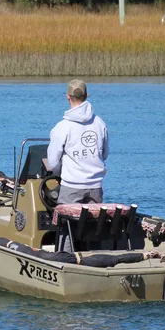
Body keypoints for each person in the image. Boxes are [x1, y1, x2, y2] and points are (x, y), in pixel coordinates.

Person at [46, 79, 108, 250]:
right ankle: (94, 258)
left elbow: (52, 162)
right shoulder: (100, 123)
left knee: (65, 227)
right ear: (86, 96)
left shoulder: (62, 127)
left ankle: (65, 258)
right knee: (93, 226)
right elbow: (105, 154)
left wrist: (60, 173)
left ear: (68, 97)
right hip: (95, 186)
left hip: (70, 186)